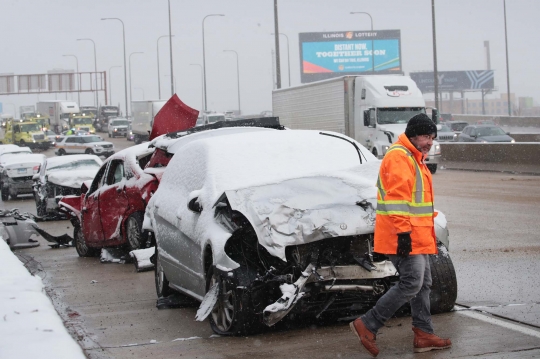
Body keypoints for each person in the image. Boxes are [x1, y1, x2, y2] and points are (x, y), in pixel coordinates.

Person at [350, 113, 451, 357]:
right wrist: (404, 233)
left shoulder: (415, 157)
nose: (429, 141)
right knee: (411, 283)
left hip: (418, 235)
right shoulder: (400, 156)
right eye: (426, 136)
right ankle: (368, 323)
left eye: (432, 137)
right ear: (413, 134)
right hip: (403, 235)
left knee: (423, 284)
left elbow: (417, 204)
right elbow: (396, 201)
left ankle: (424, 333)